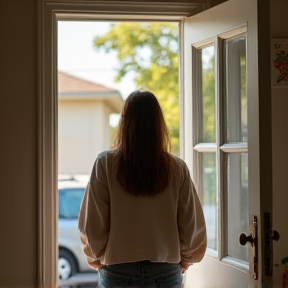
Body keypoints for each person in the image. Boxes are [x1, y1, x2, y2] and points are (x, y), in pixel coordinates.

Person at [78, 90, 207, 288]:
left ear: (124, 122)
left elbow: (92, 227)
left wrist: (96, 256)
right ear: (159, 125)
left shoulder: (105, 163)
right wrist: (186, 258)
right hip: (165, 274)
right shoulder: (177, 168)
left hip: (117, 274)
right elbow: (192, 227)